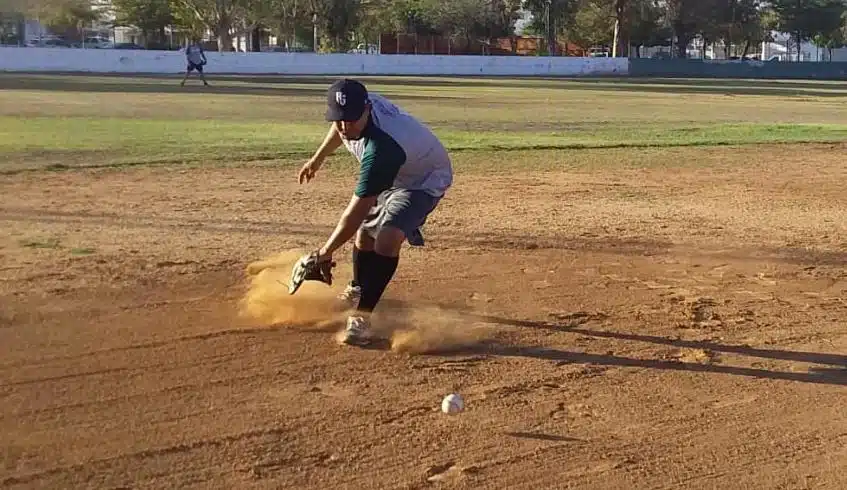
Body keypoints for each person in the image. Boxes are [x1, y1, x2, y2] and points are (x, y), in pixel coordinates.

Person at [298, 78, 453, 346]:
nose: (345, 127)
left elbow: (355, 212)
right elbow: (342, 124)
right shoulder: (354, 113)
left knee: (388, 237)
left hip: (422, 179)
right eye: (339, 119)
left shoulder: (383, 147)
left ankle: (363, 315)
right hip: (395, 174)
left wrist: (325, 252)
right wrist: (318, 158)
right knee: (364, 237)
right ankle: (357, 288)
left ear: (368, 109)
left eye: (352, 119)